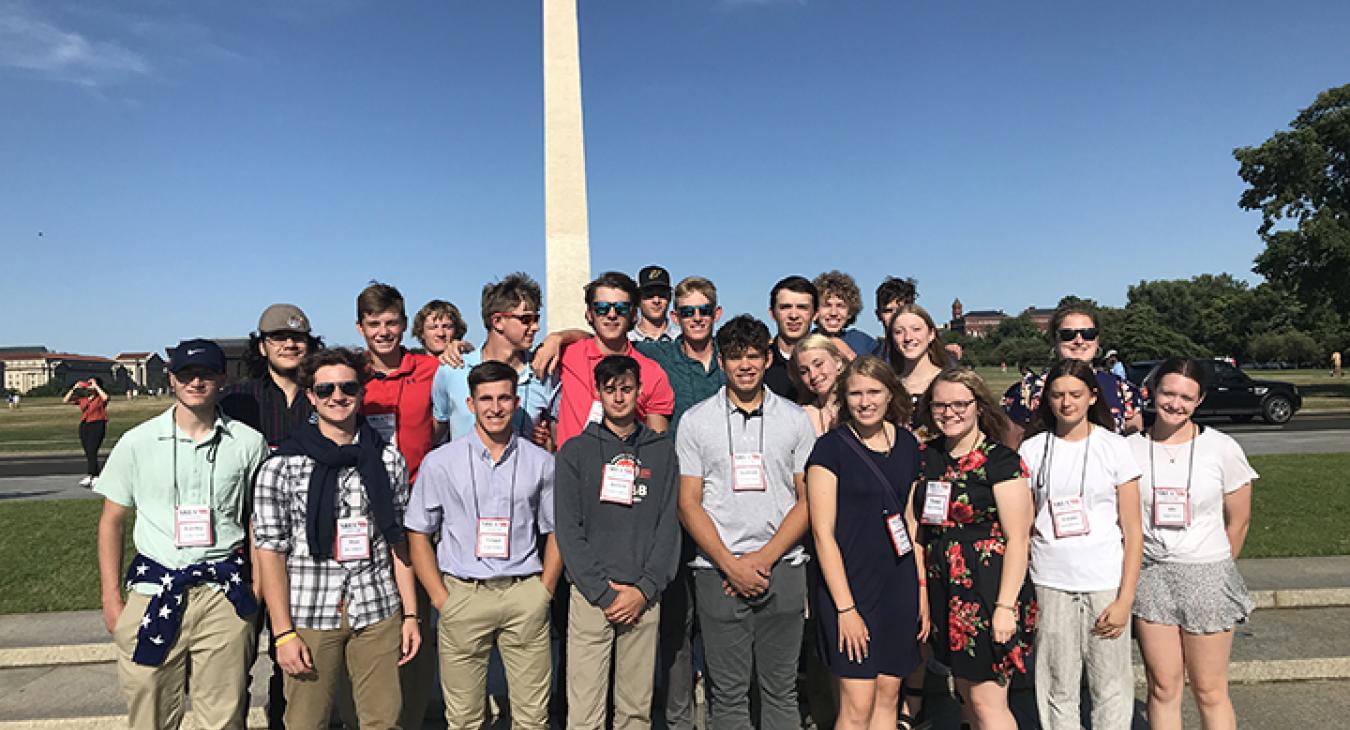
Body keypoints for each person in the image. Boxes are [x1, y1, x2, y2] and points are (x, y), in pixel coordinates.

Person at [94, 339, 271, 730]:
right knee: (149, 710)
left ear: (221, 379)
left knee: (223, 716)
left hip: (222, 592)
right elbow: (112, 520)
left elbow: (258, 520)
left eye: (205, 373)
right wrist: (110, 598)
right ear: (172, 379)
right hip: (154, 590)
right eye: (187, 374)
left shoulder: (248, 443)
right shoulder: (137, 442)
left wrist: (257, 586)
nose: (196, 382)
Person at [252, 348, 421, 730]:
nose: (337, 396)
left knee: (383, 720)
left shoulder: (388, 460)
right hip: (311, 611)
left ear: (361, 392)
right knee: (307, 721)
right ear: (311, 395)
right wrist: (282, 633)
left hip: (377, 607)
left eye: (347, 387)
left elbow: (398, 540)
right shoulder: (281, 466)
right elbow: (271, 554)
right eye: (325, 389)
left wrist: (410, 614)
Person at [676, 315, 816, 730]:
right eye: (736, 357)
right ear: (722, 361)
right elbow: (689, 503)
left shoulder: (794, 419)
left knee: (781, 689)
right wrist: (731, 564)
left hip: (784, 566)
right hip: (716, 570)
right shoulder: (696, 421)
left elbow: (808, 499)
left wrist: (764, 559)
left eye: (754, 356)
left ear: (768, 357)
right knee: (729, 693)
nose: (746, 365)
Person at [405, 361, 562, 730]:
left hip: (524, 594)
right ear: (470, 403)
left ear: (515, 401)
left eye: (504, 398)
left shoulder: (541, 463)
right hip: (463, 594)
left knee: (533, 718)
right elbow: (418, 533)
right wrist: (440, 597)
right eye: (486, 399)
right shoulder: (440, 463)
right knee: (463, 719)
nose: (495, 407)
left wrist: (545, 591)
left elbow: (556, 530)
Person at [1127, 358, 1256, 730]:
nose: (1175, 404)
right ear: (1152, 392)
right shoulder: (1130, 449)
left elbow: (1240, 520)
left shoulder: (1221, 448)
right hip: (1152, 576)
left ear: (1199, 401)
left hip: (1207, 575)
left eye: (1186, 397)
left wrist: (1215, 568)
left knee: (1209, 689)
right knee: (1163, 687)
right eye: (1168, 393)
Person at [554, 355, 681, 729]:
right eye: (610, 390)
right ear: (599, 393)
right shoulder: (575, 452)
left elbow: (667, 527)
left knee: (635, 710)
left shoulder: (661, 450)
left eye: (626, 389)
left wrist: (644, 589)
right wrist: (603, 592)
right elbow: (568, 529)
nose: (619, 398)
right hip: (593, 595)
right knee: (585, 711)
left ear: (639, 392)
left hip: (643, 594)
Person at [1019, 359, 1143, 730]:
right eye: (1057, 395)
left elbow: (1133, 530)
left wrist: (1125, 599)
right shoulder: (1033, 449)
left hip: (1104, 580)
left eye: (1075, 394)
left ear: (1092, 397)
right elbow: (1024, 525)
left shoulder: (1115, 447)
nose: (1066, 402)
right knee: (1058, 684)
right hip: (1051, 580)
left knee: (1111, 684)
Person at [806, 356, 927, 730]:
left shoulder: (907, 444)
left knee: (888, 697)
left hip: (898, 583)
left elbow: (910, 521)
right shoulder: (830, 449)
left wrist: (920, 587)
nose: (865, 401)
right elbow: (822, 533)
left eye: (874, 391)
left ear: (891, 393)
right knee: (857, 704)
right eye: (856, 393)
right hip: (851, 587)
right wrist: (846, 608)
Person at [912, 368, 1037, 730]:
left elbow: (1018, 539)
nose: (949, 413)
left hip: (988, 590)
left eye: (959, 404)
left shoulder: (1001, 461)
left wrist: (1004, 607)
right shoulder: (927, 457)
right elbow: (917, 527)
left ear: (979, 406)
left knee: (987, 702)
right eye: (940, 405)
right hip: (944, 589)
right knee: (967, 696)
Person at [628, 275, 725, 730]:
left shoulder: (735, 359)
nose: (696, 319)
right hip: (673, 505)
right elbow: (604, 345)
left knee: (724, 618)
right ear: (674, 317)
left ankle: (730, 714)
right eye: (686, 312)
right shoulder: (657, 357)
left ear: (716, 314)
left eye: (703, 310)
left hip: (726, 508)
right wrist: (558, 336)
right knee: (676, 622)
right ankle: (679, 720)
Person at [353, 281, 440, 727]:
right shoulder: (350, 376)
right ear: (360, 327)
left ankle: (414, 715)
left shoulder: (431, 368)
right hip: (362, 513)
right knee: (369, 617)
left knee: (416, 617)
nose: (384, 332)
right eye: (374, 324)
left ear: (406, 325)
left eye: (391, 323)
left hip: (420, 513)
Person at [544, 271, 675, 447]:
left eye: (621, 308)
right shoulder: (565, 355)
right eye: (602, 308)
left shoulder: (652, 373)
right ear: (589, 314)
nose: (611, 314)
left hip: (627, 469)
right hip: (572, 471)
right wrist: (557, 337)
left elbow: (657, 446)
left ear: (634, 315)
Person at [432, 273, 560, 445]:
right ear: (498, 321)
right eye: (526, 319)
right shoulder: (452, 370)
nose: (536, 327)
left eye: (536, 318)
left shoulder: (545, 373)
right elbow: (436, 432)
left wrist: (559, 337)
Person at [1001, 303, 1143, 447]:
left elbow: (1134, 450)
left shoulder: (1123, 390)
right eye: (1068, 335)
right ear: (1055, 341)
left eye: (1088, 334)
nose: (1079, 341)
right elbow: (1012, 452)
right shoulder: (1027, 391)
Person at [221, 303, 320, 450]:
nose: (290, 344)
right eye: (279, 338)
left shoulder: (328, 395)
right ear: (262, 347)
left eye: (298, 338)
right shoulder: (236, 397)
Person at [763, 275, 819, 403]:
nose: (793, 315)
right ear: (772, 313)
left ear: (816, 314)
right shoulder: (760, 364)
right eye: (785, 307)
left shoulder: (829, 364)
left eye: (802, 307)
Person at [813, 270, 882, 358]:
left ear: (850, 312)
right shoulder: (804, 343)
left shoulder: (862, 342)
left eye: (840, 306)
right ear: (816, 310)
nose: (833, 313)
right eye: (827, 305)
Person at [789, 334, 847, 436]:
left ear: (838, 361)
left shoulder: (858, 405)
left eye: (818, 364)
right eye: (804, 371)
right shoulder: (801, 416)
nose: (813, 375)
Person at [64, 377, 109, 487]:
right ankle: (92, 474)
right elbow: (65, 400)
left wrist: (96, 386)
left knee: (92, 449)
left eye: (90, 383)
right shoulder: (83, 399)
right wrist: (74, 388)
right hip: (85, 425)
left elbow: (106, 397)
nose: (89, 385)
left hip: (97, 423)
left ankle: (95, 475)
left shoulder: (99, 398)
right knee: (88, 451)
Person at [630, 265, 681, 342]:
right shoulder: (626, 341)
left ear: (670, 297)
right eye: (649, 295)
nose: (656, 301)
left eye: (662, 294)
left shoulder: (682, 340)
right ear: (638, 298)